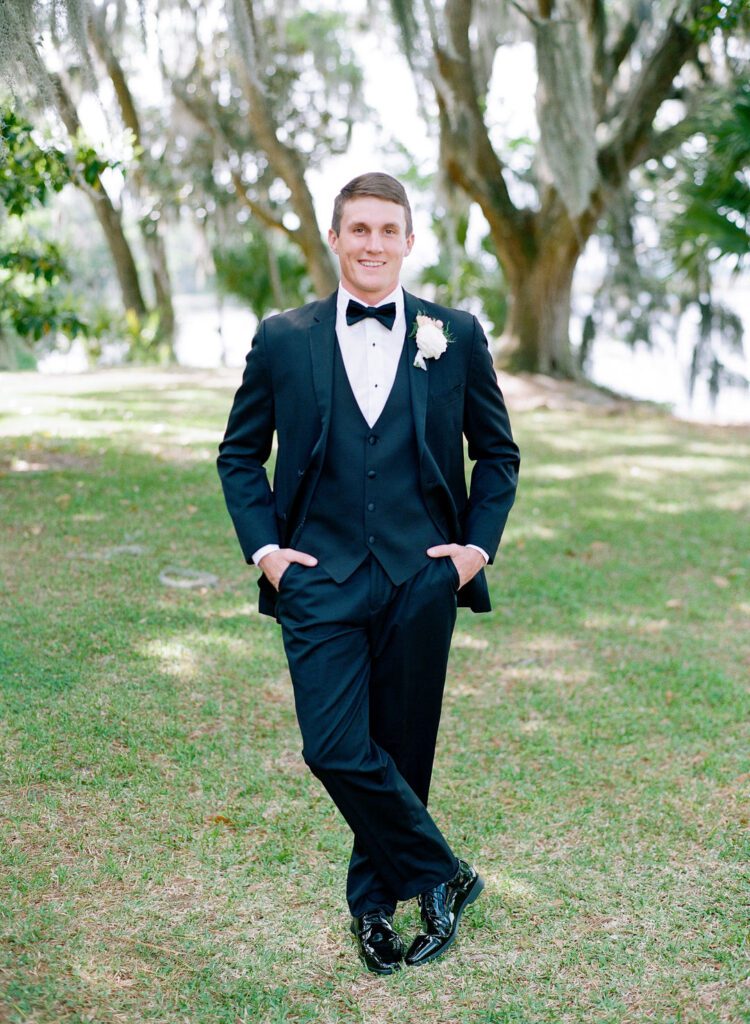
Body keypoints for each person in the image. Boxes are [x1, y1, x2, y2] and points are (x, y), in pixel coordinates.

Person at [217, 172, 519, 974]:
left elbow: (497, 453)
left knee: (403, 748)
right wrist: (268, 553)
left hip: (423, 578)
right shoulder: (283, 338)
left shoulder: (454, 334)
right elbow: (240, 453)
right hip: (317, 577)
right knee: (335, 746)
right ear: (336, 238)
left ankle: (374, 911)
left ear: (410, 241)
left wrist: (474, 550)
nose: (374, 244)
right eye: (360, 230)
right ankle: (444, 873)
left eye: (389, 230)